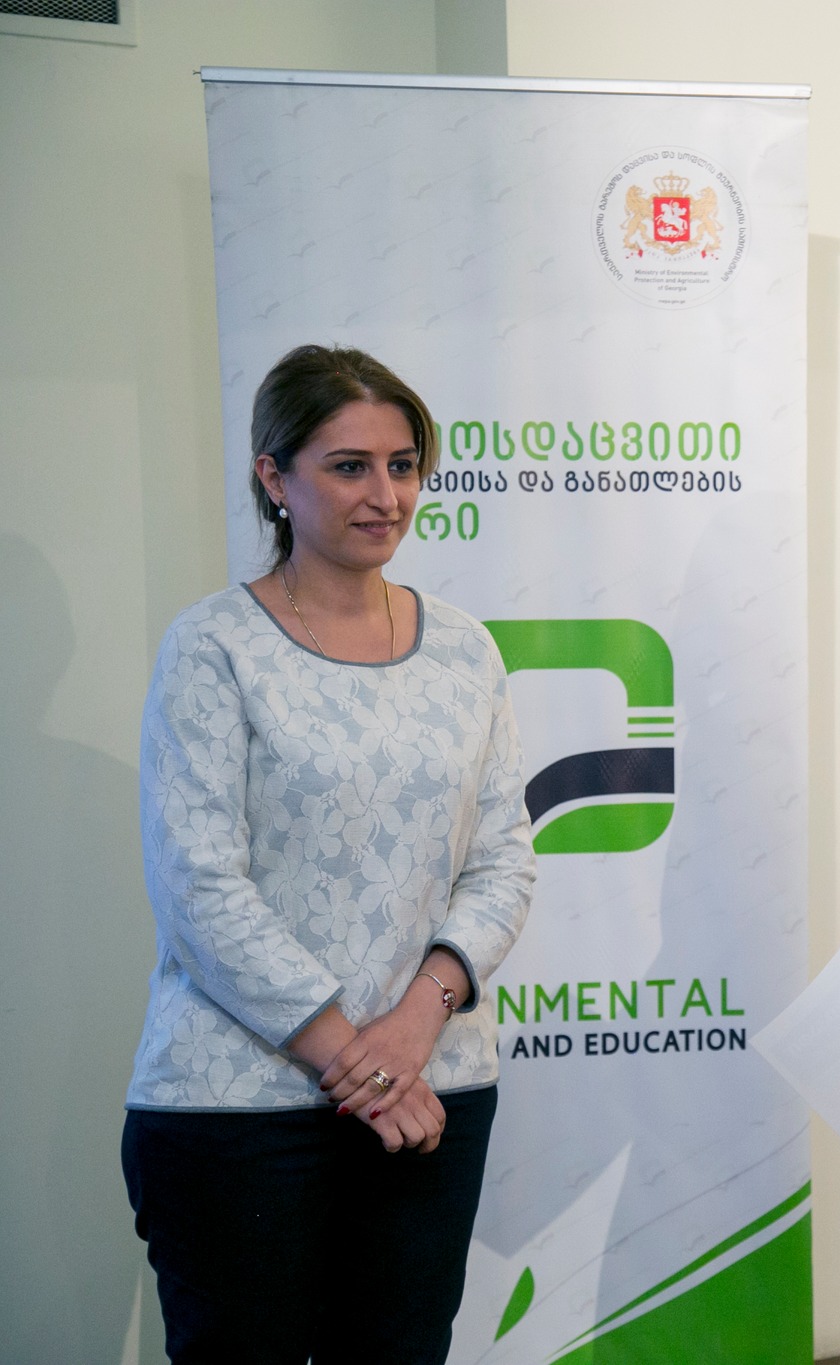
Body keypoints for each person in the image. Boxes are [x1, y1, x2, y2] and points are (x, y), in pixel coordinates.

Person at [121, 345, 536, 1364]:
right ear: (274, 476)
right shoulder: (212, 647)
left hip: (432, 1091)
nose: (385, 496)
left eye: (403, 465)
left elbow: (503, 861)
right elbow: (199, 886)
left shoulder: (466, 649)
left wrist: (416, 1022)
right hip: (239, 1106)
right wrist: (360, 1061)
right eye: (349, 466)